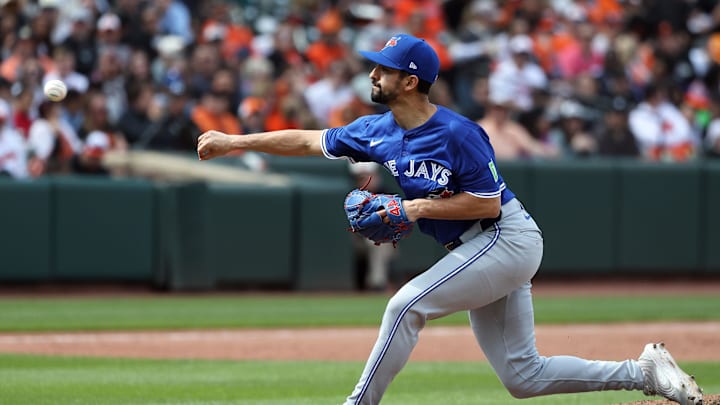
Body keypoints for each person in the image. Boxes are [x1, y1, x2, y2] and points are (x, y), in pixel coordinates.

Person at [197, 34, 702, 405]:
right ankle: (646, 372)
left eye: (383, 69)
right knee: (522, 377)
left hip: (505, 236)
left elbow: (484, 203)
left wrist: (410, 207)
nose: (373, 74)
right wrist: (235, 141)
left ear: (409, 80)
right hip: (477, 247)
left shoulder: (459, 134)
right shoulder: (375, 130)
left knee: (404, 306)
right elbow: (309, 139)